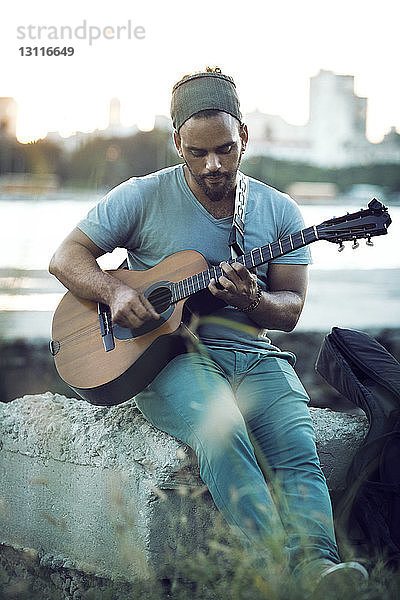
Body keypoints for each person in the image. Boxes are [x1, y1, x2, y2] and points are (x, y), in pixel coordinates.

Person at [49, 67, 368, 594]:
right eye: (197, 153)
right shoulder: (142, 195)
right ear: (177, 143)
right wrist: (115, 292)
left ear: (243, 135)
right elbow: (66, 257)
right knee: (223, 436)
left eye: (224, 148)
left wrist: (252, 298)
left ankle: (318, 570)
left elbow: (290, 311)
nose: (212, 165)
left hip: (255, 358)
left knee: (296, 448)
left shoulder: (279, 209)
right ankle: (273, 576)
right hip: (171, 358)